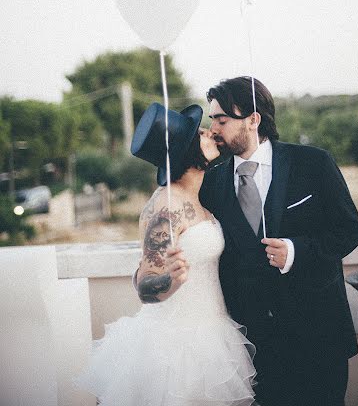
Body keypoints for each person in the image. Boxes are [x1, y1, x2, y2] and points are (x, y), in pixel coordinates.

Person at [196, 76, 358, 406]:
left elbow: (348, 230)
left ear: (254, 119)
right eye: (212, 119)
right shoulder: (211, 182)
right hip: (256, 346)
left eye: (222, 119)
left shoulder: (314, 164)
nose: (214, 128)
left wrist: (297, 251)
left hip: (318, 336)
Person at [76, 102, 257, 406]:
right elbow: (146, 286)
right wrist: (172, 280)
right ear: (186, 151)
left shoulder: (199, 198)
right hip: (176, 349)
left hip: (213, 336)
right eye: (199, 133)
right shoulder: (166, 206)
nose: (209, 132)